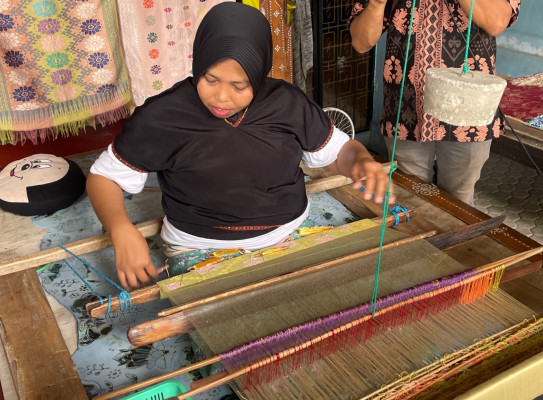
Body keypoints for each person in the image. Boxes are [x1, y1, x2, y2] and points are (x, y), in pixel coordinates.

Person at [87, 2, 394, 289]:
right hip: (197, 245)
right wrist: (120, 229)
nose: (222, 97)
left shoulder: (288, 104)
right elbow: (104, 178)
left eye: (240, 86)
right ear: (199, 63)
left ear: (259, 75)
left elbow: (340, 151)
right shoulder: (162, 116)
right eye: (210, 79)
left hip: (285, 234)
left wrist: (362, 161)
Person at [349, 0, 520, 205]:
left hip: (466, 109)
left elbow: (496, 21)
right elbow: (360, 42)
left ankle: (457, 237)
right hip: (407, 109)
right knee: (411, 197)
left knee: (459, 201)